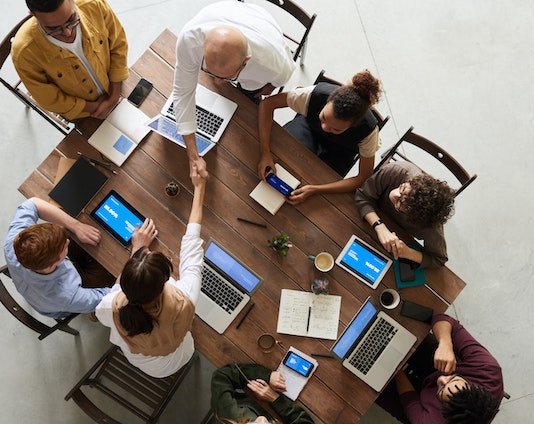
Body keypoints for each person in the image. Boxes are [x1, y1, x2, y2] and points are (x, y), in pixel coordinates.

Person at [95, 166, 207, 377]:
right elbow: (192, 247)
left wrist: (136, 250)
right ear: (164, 282)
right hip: (174, 360)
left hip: (145, 363)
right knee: (188, 342)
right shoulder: (184, 298)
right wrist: (200, 188)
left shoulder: (111, 306)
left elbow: (112, 299)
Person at [173, 1, 296, 178]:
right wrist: (193, 155)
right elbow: (182, 93)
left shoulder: (273, 65)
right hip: (226, 12)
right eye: (209, 71)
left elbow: (279, 80)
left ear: (246, 61)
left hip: (261, 26)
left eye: (224, 77)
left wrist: (268, 88)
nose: (216, 81)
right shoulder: (189, 40)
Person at [258, 70, 384, 204]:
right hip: (308, 128)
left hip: (341, 151)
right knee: (283, 158)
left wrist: (315, 189)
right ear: (328, 101)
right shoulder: (314, 95)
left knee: (317, 184)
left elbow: (364, 177)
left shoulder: (368, 132)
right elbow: (267, 104)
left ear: (353, 125)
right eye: (323, 117)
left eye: (336, 128)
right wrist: (265, 152)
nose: (325, 127)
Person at [375, 314, 504, 424]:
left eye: (442, 389)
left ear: (444, 410)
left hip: (419, 405)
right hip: (439, 366)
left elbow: (409, 400)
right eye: (453, 378)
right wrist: (445, 344)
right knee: (409, 327)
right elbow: (443, 319)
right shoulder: (487, 370)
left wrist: (394, 365)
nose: (441, 379)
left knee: (374, 384)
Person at [12, 0, 129, 120]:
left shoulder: (93, 4)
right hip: (84, 114)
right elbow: (49, 99)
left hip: (117, 86)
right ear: (33, 14)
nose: (67, 32)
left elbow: (118, 44)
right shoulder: (23, 53)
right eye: (54, 29)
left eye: (71, 19)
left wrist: (114, 97)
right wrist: (96, 107)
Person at [4, 197, 114, 319]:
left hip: (36, 287)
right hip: (65, 301)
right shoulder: (67, 296)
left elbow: (32, 203)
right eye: (64, 246)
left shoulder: (14, 243)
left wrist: (76, 226)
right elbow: (111, 299)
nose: (67, 241)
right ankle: (93, 314)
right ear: (52, 265)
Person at [355, 161, 455, 268]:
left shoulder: (431, 227)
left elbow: (439, 259)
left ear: (414, 217)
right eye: (402, 189)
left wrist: (407, 252)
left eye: (401, 203)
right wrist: (380, 227)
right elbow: (362, 196)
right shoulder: (397, 170)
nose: (394, 194)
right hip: (363, 221)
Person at [211, 363, 315, 424]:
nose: (262, 419)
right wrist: (275, 399)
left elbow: (222, 376)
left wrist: (265, 375)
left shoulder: (229, 417)